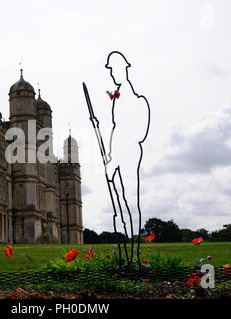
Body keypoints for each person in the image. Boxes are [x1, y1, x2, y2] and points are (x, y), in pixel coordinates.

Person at [83, 51, 151, 268]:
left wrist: (117, 154)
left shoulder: (136, 101)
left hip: (129, 155)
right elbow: (115, 128)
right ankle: (126, 256)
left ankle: (134, 257)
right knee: (120, 206)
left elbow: (136, 134)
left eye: (113, 69)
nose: (111, 73)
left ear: (123, 68)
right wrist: (110, 156)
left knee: (131, 202)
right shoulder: (118, 97)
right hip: (117, 156)